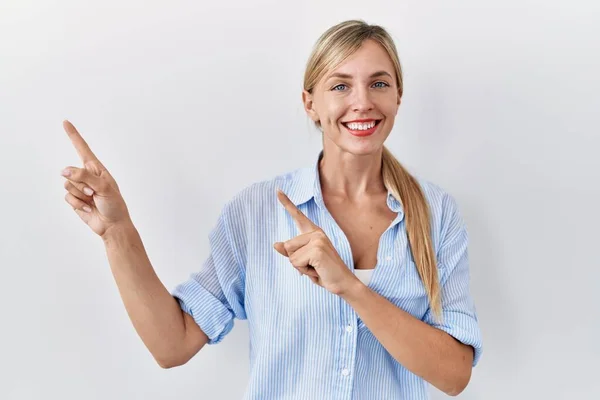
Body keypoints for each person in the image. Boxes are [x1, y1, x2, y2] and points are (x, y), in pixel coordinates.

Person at [61, 19, 482, 399]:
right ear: (310, 103)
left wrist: (350, 288)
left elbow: (454, 374)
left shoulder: (435, 214)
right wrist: (117, 231)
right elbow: (172, 345)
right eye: (340, 85)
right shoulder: (256, 212)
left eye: (379, 83)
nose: (362, 102)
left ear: (398, 97)